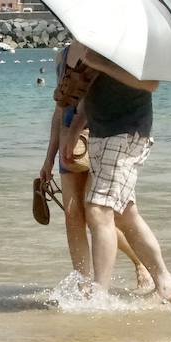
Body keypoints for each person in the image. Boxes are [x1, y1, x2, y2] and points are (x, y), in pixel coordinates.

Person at [63, 41, 171, 302]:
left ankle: (98, 296)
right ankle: (165, 282)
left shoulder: (138, 43)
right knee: (125, 214)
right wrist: (73, 131)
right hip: (101, 133)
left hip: (128, 132)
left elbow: (151, 84)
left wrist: (100, 63)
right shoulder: (100, 42)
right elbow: (88, 95)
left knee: (98, 209)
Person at [40, 46, 155, 293]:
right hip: (68, 136)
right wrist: (49, 157)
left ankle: (139, 265)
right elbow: (60, 110)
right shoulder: (63, 55)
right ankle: (82, 285)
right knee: (73, 215)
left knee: (101, 212)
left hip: (100, 133)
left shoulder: (105, 51)